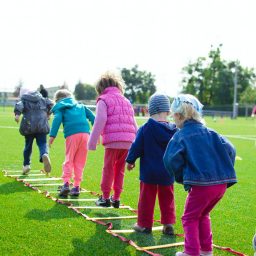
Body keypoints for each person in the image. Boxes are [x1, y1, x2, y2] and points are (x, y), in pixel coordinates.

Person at [163, 94, 237, 256]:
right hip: (220, 186)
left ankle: (191, 252)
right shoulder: (212, 133)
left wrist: (183, 177)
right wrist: (224, 171)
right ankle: (206, 250)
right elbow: (231, 150)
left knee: (189, 218)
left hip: (201, 186)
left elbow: (169, 159)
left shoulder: (180, 135)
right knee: (203, 215)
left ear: (177, 115)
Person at [125, 93, 177, 235]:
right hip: (168, 171)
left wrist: (130, 161)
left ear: (149, 110)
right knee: (167, 198)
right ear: (168, 111)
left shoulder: (145, 128)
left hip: (149, 171)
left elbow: (136, 146)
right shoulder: (174, 130)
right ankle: (168, 224)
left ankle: (144, 224)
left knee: (146, 199)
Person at [88, 71, 137, 208]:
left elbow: (100, 120)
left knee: (108, 169)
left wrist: (92, 142)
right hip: (128, 141)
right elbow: (134, 123)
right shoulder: (126, 101)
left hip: (113, 141)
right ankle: (116, 198)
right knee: (119, 170)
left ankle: (104, 198)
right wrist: (137, 144)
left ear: (100, 88)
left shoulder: (103, 100)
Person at [49, 89, 95, 197]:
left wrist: (52, 137)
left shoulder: (61, 107)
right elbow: (94, 118)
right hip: (85, 135)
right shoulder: (81, 106)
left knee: (69, 159)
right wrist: (97, 134)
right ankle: (76, 187)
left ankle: (65, 184)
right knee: (80, 161)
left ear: (57, 100)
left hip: (72, 135)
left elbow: (57, 120)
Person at [14, 89, 53, 175]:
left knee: (28, 146)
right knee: (42, 143)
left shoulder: (24, 100)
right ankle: (44, 154)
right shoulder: (42, 99)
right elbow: (51, 103)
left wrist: (17, 115)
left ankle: (26, 165)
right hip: (42, 125)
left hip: (29, 126)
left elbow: (19, 105)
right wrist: (48, 114)